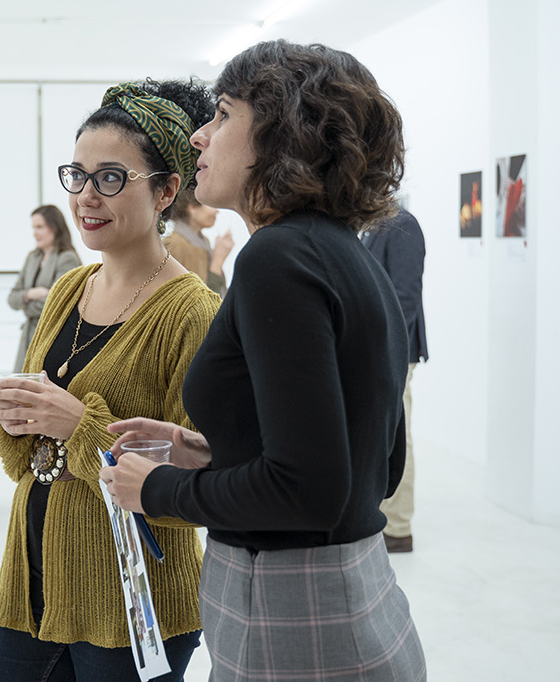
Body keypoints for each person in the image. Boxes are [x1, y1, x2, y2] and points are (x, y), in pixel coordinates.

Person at [101, 41, 426, 681]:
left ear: (282, 133)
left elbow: (309, 490)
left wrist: (158, 488)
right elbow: (375, 468)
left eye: (223, 114)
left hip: (291, 615)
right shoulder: (343, 252)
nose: (199, 135)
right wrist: (213, 452)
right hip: (358, 599)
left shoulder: (276, 258)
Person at [0, 79, 221, 682]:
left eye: (111, 177)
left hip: (131, 607)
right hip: (31, 586)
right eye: (77, 175)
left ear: (166, 191)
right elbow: (26, 462)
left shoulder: (192, 312)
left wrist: (78, 424)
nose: (86, 195)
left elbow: (195, 487)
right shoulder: (69, 289)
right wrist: (18, 417)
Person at [362, 206, 427, 553]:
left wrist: (390, 351)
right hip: (380, 351)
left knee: (400, 436)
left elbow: (405, 297)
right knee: (386, 434)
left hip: (395, 352)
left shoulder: (402, 225)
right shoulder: (371, 226)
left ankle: (399, 528)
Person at [6, 204, 82, 372]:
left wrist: (26, 306)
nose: (35, 233)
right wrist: (30, 294)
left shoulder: (67, 258)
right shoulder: (33, 257)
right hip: (29, 337)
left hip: (52, 337)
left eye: (39, 227)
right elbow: (12, 299)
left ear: (54, 227)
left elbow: (57, 303)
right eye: (33, 228)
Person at [162, 184, 234, 296]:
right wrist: (217, 261)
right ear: (193, 208)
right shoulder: (175, 244)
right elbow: (196, 298)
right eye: (211, 205)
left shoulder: (202, 243)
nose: (217, 211)